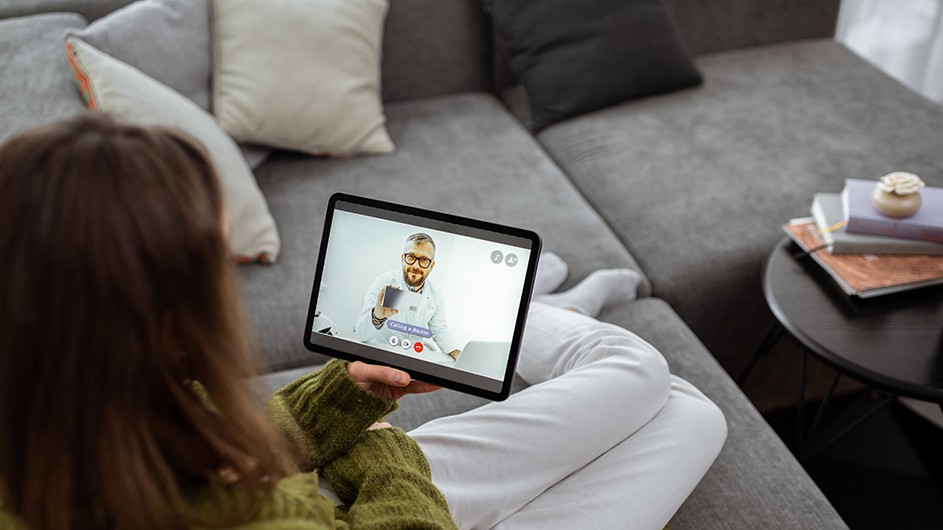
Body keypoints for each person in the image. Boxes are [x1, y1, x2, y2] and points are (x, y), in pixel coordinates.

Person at [0, 113, 727, 530]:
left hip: (326, 497)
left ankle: (528, 313)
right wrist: (379, 450)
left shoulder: (65, 402)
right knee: (666, 393)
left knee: (687, 411)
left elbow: (211, 458)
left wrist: (345, 396)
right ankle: (533, 312)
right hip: (377, 510)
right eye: (220, 266)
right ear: (159, 315)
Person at [355, 233, 461, 359]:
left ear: (431, 265)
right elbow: (362, 334)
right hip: (381, 355)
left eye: (423, 260)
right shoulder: (384, 282)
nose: (416, 266)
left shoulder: (435, 293)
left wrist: (457, 353)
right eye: (411, 257)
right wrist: (377, 316)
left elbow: (439, 329)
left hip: (411, 358)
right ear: (402, 258)